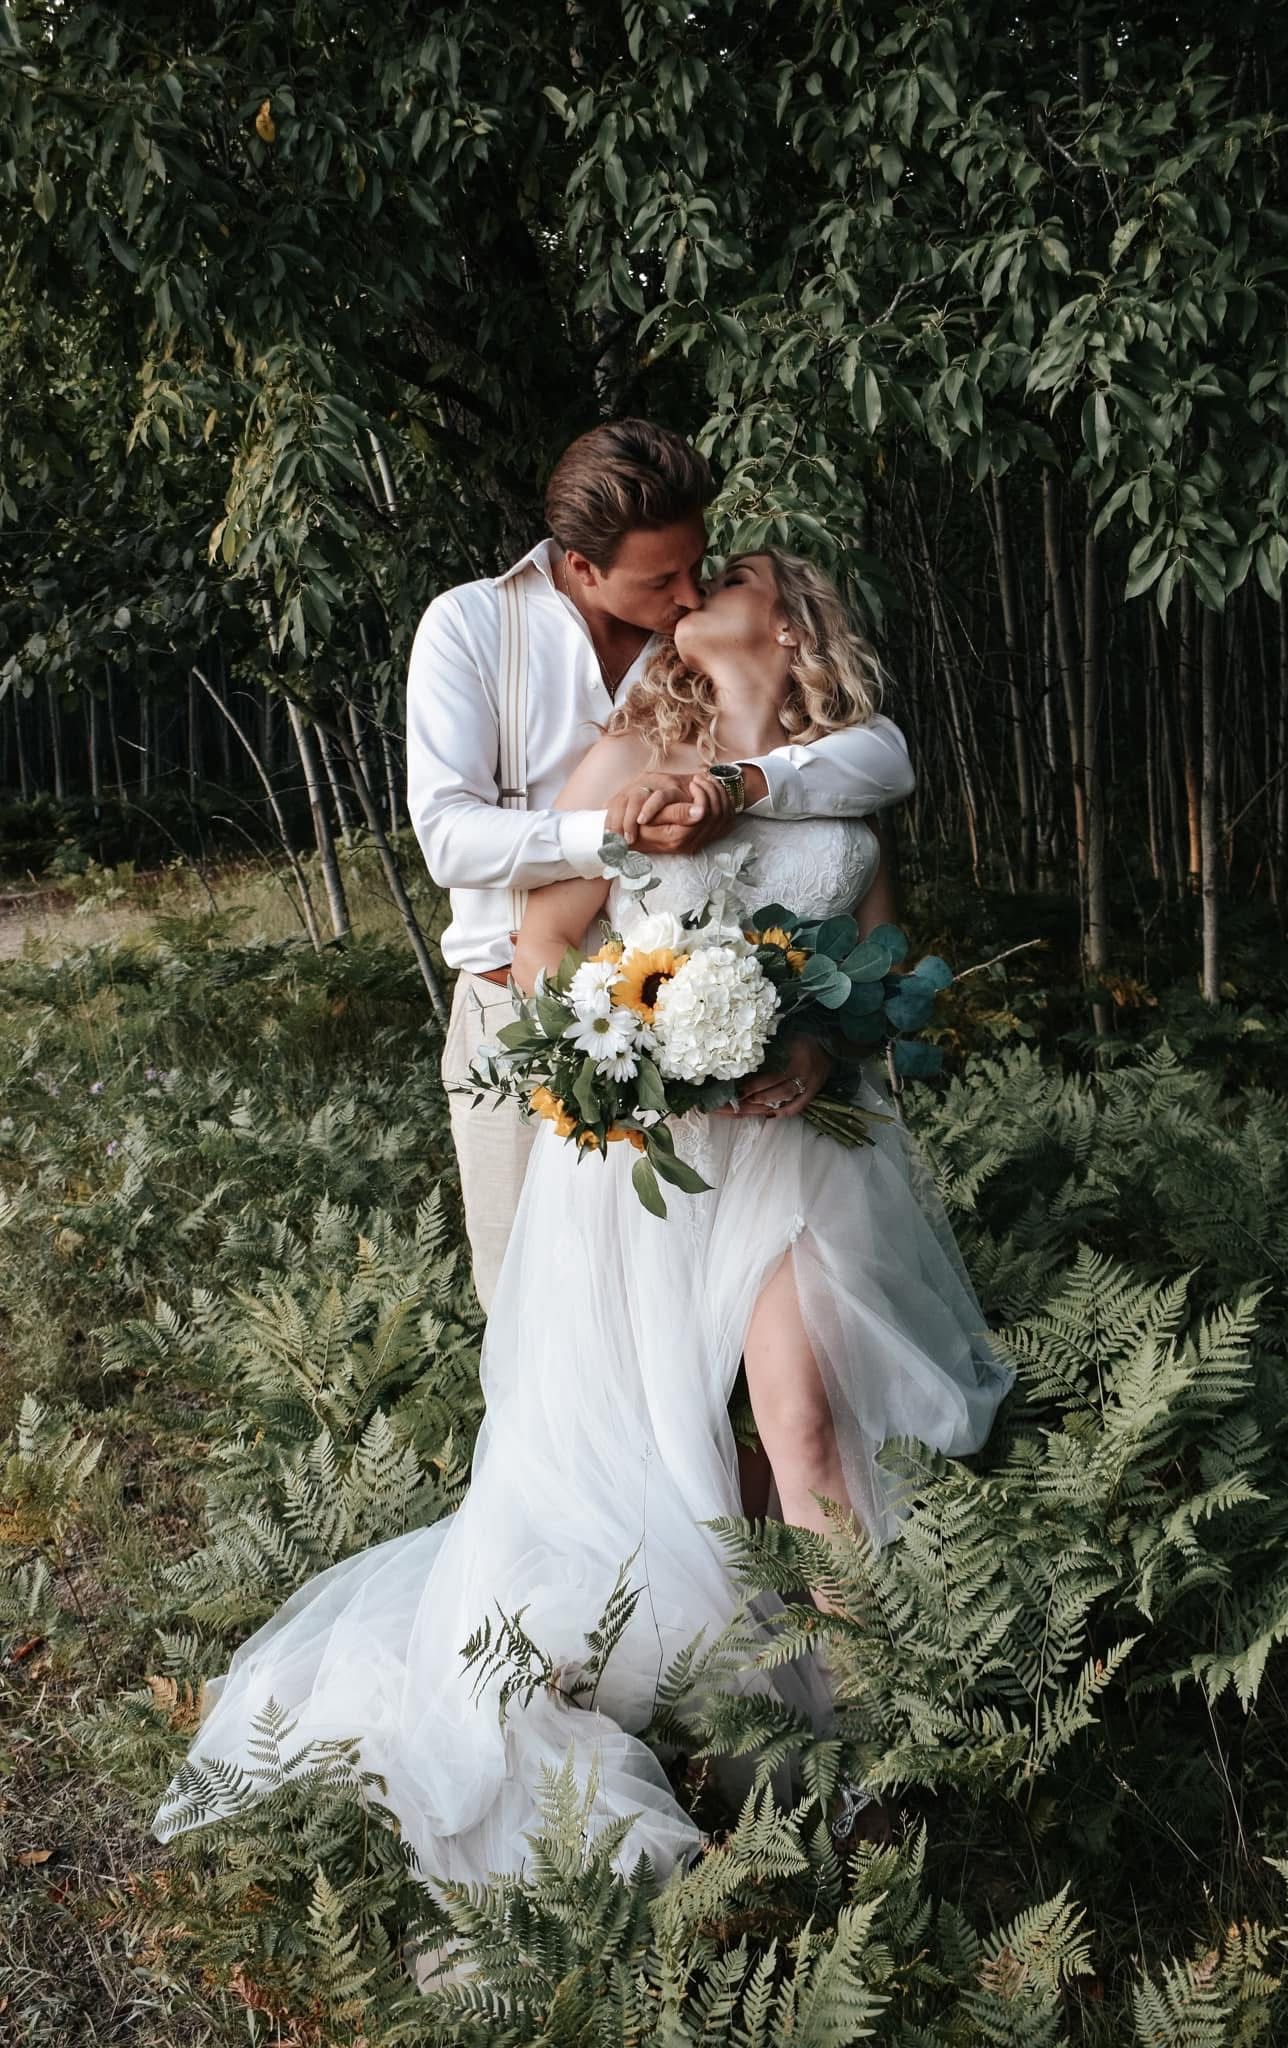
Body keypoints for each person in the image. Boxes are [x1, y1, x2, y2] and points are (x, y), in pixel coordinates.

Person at [150, 545, 1013, 1993]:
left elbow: (882, 958)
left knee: (805, 1429)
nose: (692, 588)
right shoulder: (629, 747)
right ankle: (716, 1678)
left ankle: (885, 1742)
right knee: (660, 1445)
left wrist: (814, 1042)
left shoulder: (848, 772)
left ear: (788, 614)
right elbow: (549, 949)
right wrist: (646, 1041)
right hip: (655, 1162)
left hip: (808, 1151)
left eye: (725, 569)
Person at [404, 417, 916, 1314]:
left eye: (699, 566)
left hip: (715, 1018)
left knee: (696, 1324)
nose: (687, 593)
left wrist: (739, 781)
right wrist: (610, 834)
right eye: (661, 578)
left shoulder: (690, 643)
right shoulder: (471, 625)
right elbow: (446, 835)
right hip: (519, 1007)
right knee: (536, 1314)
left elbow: (874, 764)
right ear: (581, 564)